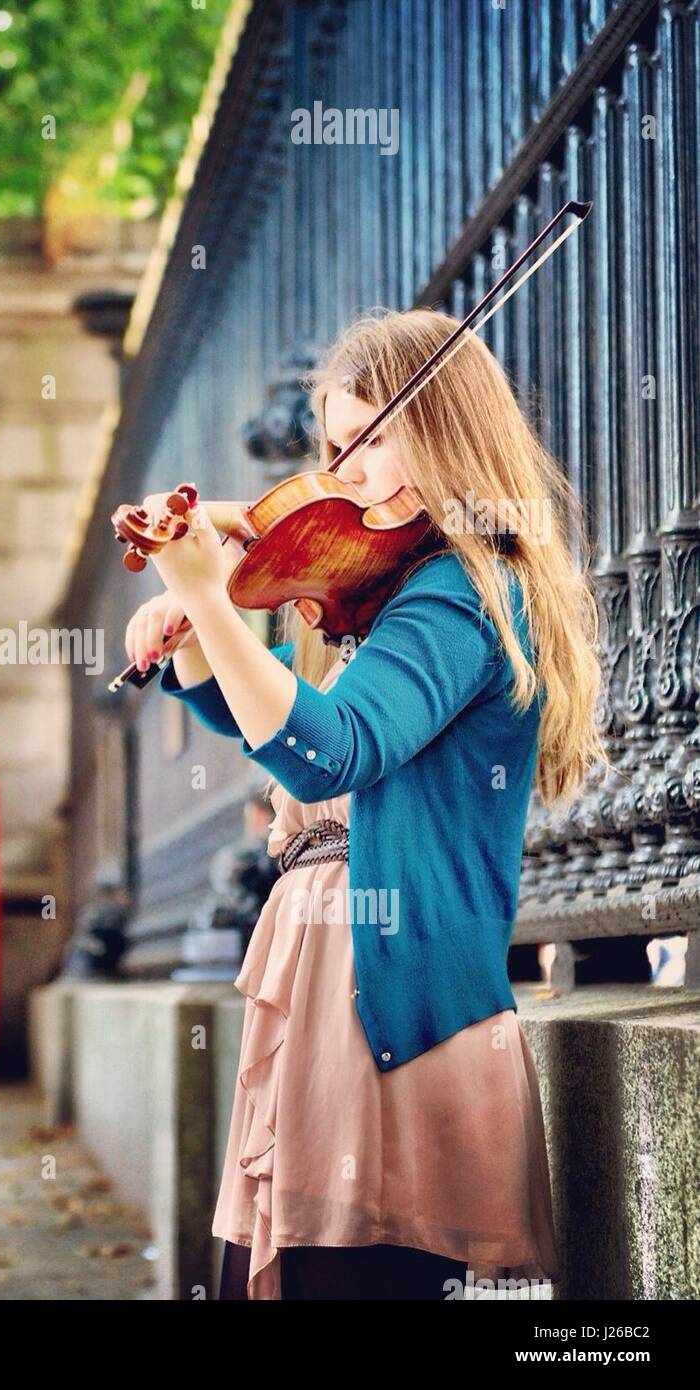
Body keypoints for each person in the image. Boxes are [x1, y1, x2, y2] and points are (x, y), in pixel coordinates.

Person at [124, 308, 605, 1301]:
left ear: (446, 434)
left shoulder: (466, 592)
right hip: (327, 989)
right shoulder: (387, 595)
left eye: (373, 440)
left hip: (389, 1012)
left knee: (348, 1281)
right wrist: (198, 636)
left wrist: (210, 598)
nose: (346, 473)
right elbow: (288, 722)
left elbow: (326, 753)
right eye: (335, 444)